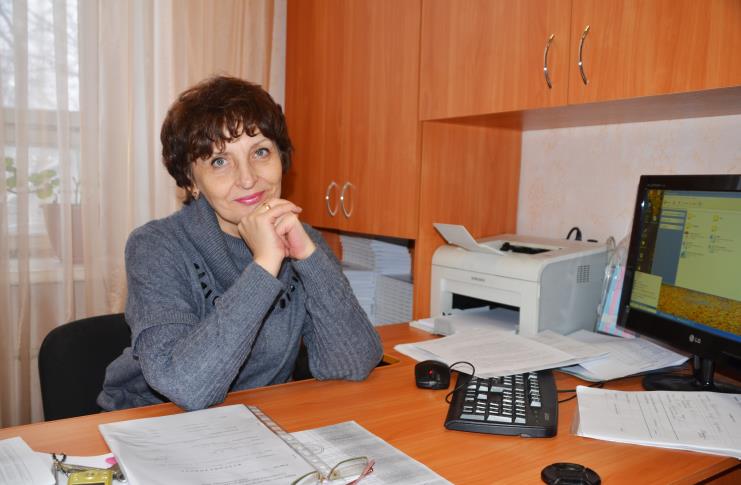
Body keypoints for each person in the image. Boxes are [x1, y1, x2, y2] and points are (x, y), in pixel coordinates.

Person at [98, 75, 383, 411]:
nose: (248, 179)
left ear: (281, 159)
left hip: (257, 419)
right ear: (191, 180)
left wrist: (309, 257)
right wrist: (264, 265)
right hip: (152, 420)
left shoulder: (301, 240)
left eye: (260, 152)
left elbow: (352, 364)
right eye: (219, 161)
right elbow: (185, 386)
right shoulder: (155, 246)